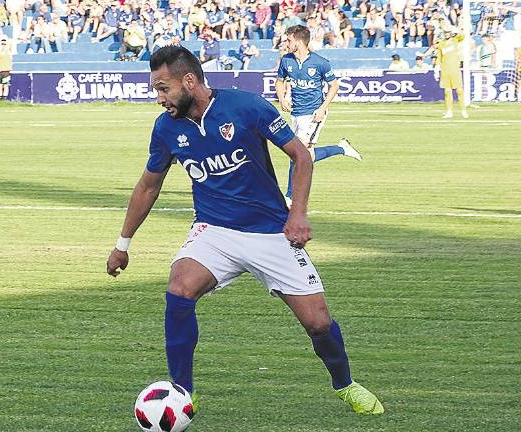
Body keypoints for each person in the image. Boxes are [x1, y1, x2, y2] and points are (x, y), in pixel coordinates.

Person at [106, 45, 384, 416]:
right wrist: (122, 244)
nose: (159, 99)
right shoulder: (166, 128)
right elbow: (148, 185)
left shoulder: (247, 106)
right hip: (214, 230)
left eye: (163, 88)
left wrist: (297, 215)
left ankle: (345, 385)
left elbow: (301, 156)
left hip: (271, 232)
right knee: (179, 288)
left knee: (318, 323)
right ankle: (182, 393)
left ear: (190, 81)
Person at [276, 25, 361, 206]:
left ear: (299, 41)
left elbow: (334, 85)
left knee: (298, 154)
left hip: (314, 113)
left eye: (289, 40)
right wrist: (282, 98)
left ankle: (290, 196)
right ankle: (341, 148)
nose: (286, 43)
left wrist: (323, 108)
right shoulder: (286, 61)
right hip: (296, 114)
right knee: (304, 155)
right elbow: (279, 81)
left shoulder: (320, 62)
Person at [434, 28, 468, 118]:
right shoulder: (441, 44)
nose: (446, 34)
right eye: (445, 32)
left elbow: (463, 36)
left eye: (448, 32)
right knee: (447, 92)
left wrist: (457, 30)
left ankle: (463, 110)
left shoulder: (455, 40)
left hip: (455, 69)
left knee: (459, 90)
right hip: (445, 70)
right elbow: (439, 57)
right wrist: (437, 69)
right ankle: (449, 112)